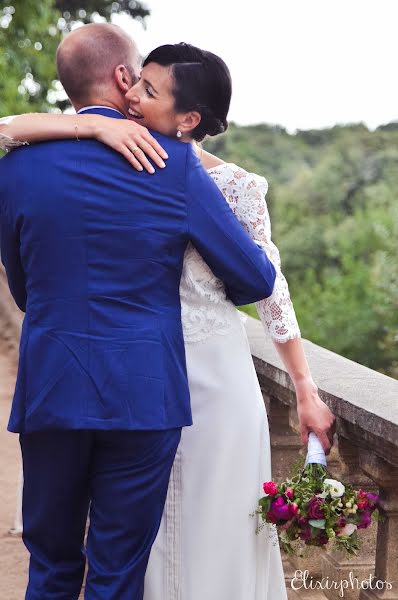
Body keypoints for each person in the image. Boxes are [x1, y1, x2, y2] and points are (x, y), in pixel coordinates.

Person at [0, 25, 279, 600]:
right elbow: (255, 280)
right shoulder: (174, 165)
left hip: (52, 384)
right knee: (118, 567)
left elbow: (24, 288)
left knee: (50, 561)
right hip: (144, 393)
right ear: (124, 77)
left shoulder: (16, 170)